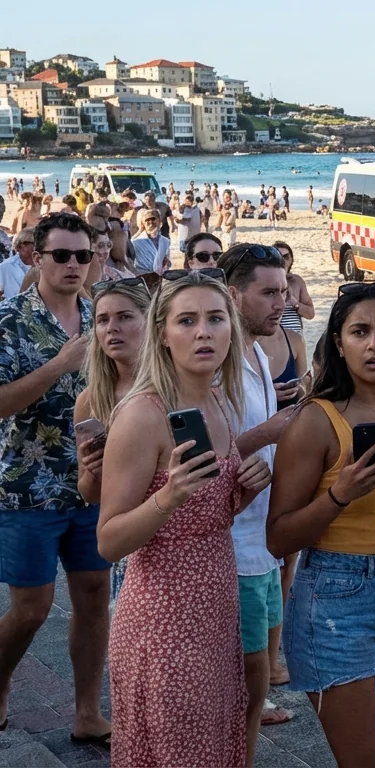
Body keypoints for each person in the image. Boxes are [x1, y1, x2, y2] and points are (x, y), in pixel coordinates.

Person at [98, 268, 272, 766]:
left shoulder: (217, 397)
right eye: (188, 320)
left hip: (215, 607)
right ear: (163, 334)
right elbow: (109, 542)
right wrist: (168, 497)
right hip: (164, 620)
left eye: (216, 319)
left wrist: (238, 490)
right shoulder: (142, 416)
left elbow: (203, 515)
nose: (203, 332)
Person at [266, 281, 375, 767]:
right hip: (336, 603)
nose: (374, 344)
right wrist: (340, 494)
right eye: (359, 331)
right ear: (338, 342)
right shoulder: (316, 422)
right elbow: (278, 538)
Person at [0, 214, 111, 748]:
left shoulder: (102, 319)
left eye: (82, 256)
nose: (73, 265)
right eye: (61, 255)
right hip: (27, 486)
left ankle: (88, 711)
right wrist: (60, 366)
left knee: (93, 596)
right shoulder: (9, 320)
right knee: (31, 608)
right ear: (35, 257)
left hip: (93, 481)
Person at [220, 243, 304, 756]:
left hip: (263, 541)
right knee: (245, 686)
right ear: (235, 294)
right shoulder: (217, 362)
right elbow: (191, 451)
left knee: (257, 686)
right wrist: (268, 432)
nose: (282, 301)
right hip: (233, 545)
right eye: (269, 292)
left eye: (285, 289)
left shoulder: (254, 350)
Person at [75, 277, 151, 605]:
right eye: (102, 320)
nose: (112, 328)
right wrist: (92, 472)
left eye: (125, 317)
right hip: (130, 545)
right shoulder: (91, 400)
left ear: (150, 322)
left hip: (183, 537)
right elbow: (91, 495)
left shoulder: (177, 389)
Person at [274, 241, 314, 334]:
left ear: (291, 259)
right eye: (279, 256)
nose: (283, 260)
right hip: (273, 340)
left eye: (286, 256)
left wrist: (295, 303)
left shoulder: (296, 281)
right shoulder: (266, 281)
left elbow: (310, 314)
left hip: (295, 339)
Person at [129, 208, 171, 276]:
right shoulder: (136, 241)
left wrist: (166, 263)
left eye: (153, 219)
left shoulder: (165, 241)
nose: (150, 222)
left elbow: (167, 263)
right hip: (142, 277)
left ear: (159, 220)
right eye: (147, 220)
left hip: (160, 278)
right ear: (143, 223)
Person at [0, 227, 35, 300]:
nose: (22, 247)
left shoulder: (44, 265)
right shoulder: (6, 266)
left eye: (26, 243)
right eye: (20, 244)